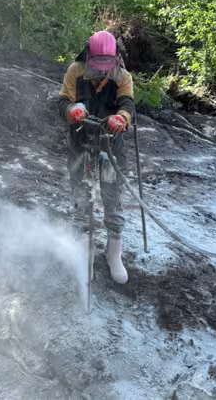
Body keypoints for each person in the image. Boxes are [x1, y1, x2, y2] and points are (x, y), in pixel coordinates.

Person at [58, 30, 134, 284]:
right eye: (97, 66)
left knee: (112, 197)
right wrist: (72, 109)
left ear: (115, 59)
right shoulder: (75, 71)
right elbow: (62, 103)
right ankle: (84, 252)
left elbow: (128, 106)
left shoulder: (123, 77)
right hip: (81, 145)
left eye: (107, 66)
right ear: (89, 56)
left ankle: (114, 254)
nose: (102, 72)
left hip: (111, 148)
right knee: (82, 196)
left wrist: (120, 118)